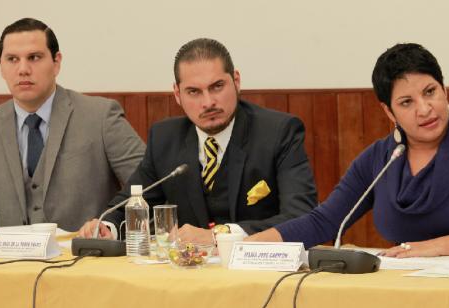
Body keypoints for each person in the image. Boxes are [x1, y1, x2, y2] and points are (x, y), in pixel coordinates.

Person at [247, 43, 449, 257]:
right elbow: (324, 221)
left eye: (430, 92)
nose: (425, 109)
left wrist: (436, 247)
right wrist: (250, 247)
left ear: (445, 89)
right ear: (388, 111)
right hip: (403, 286)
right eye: (407, 102)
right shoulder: (380, 158)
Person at [79, 38, 317, 243]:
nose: (208, 102)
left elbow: (301, 215)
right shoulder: (165, 138)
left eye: (217, 87)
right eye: (194, 91)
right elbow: (131, 201)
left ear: (236, 81)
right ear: (177, 94)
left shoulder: (278, 132)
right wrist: (106, 226)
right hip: (189, 275)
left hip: (262, 273)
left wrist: (220, 236)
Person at [0, 18, 146, 231]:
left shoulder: (100, 116)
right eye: (12, 59)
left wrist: (110, 226)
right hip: (3, 262)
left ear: (56, 62)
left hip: (87, 257)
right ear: (1, 67)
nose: (23, 69)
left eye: (34, 57)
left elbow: (149, 187)